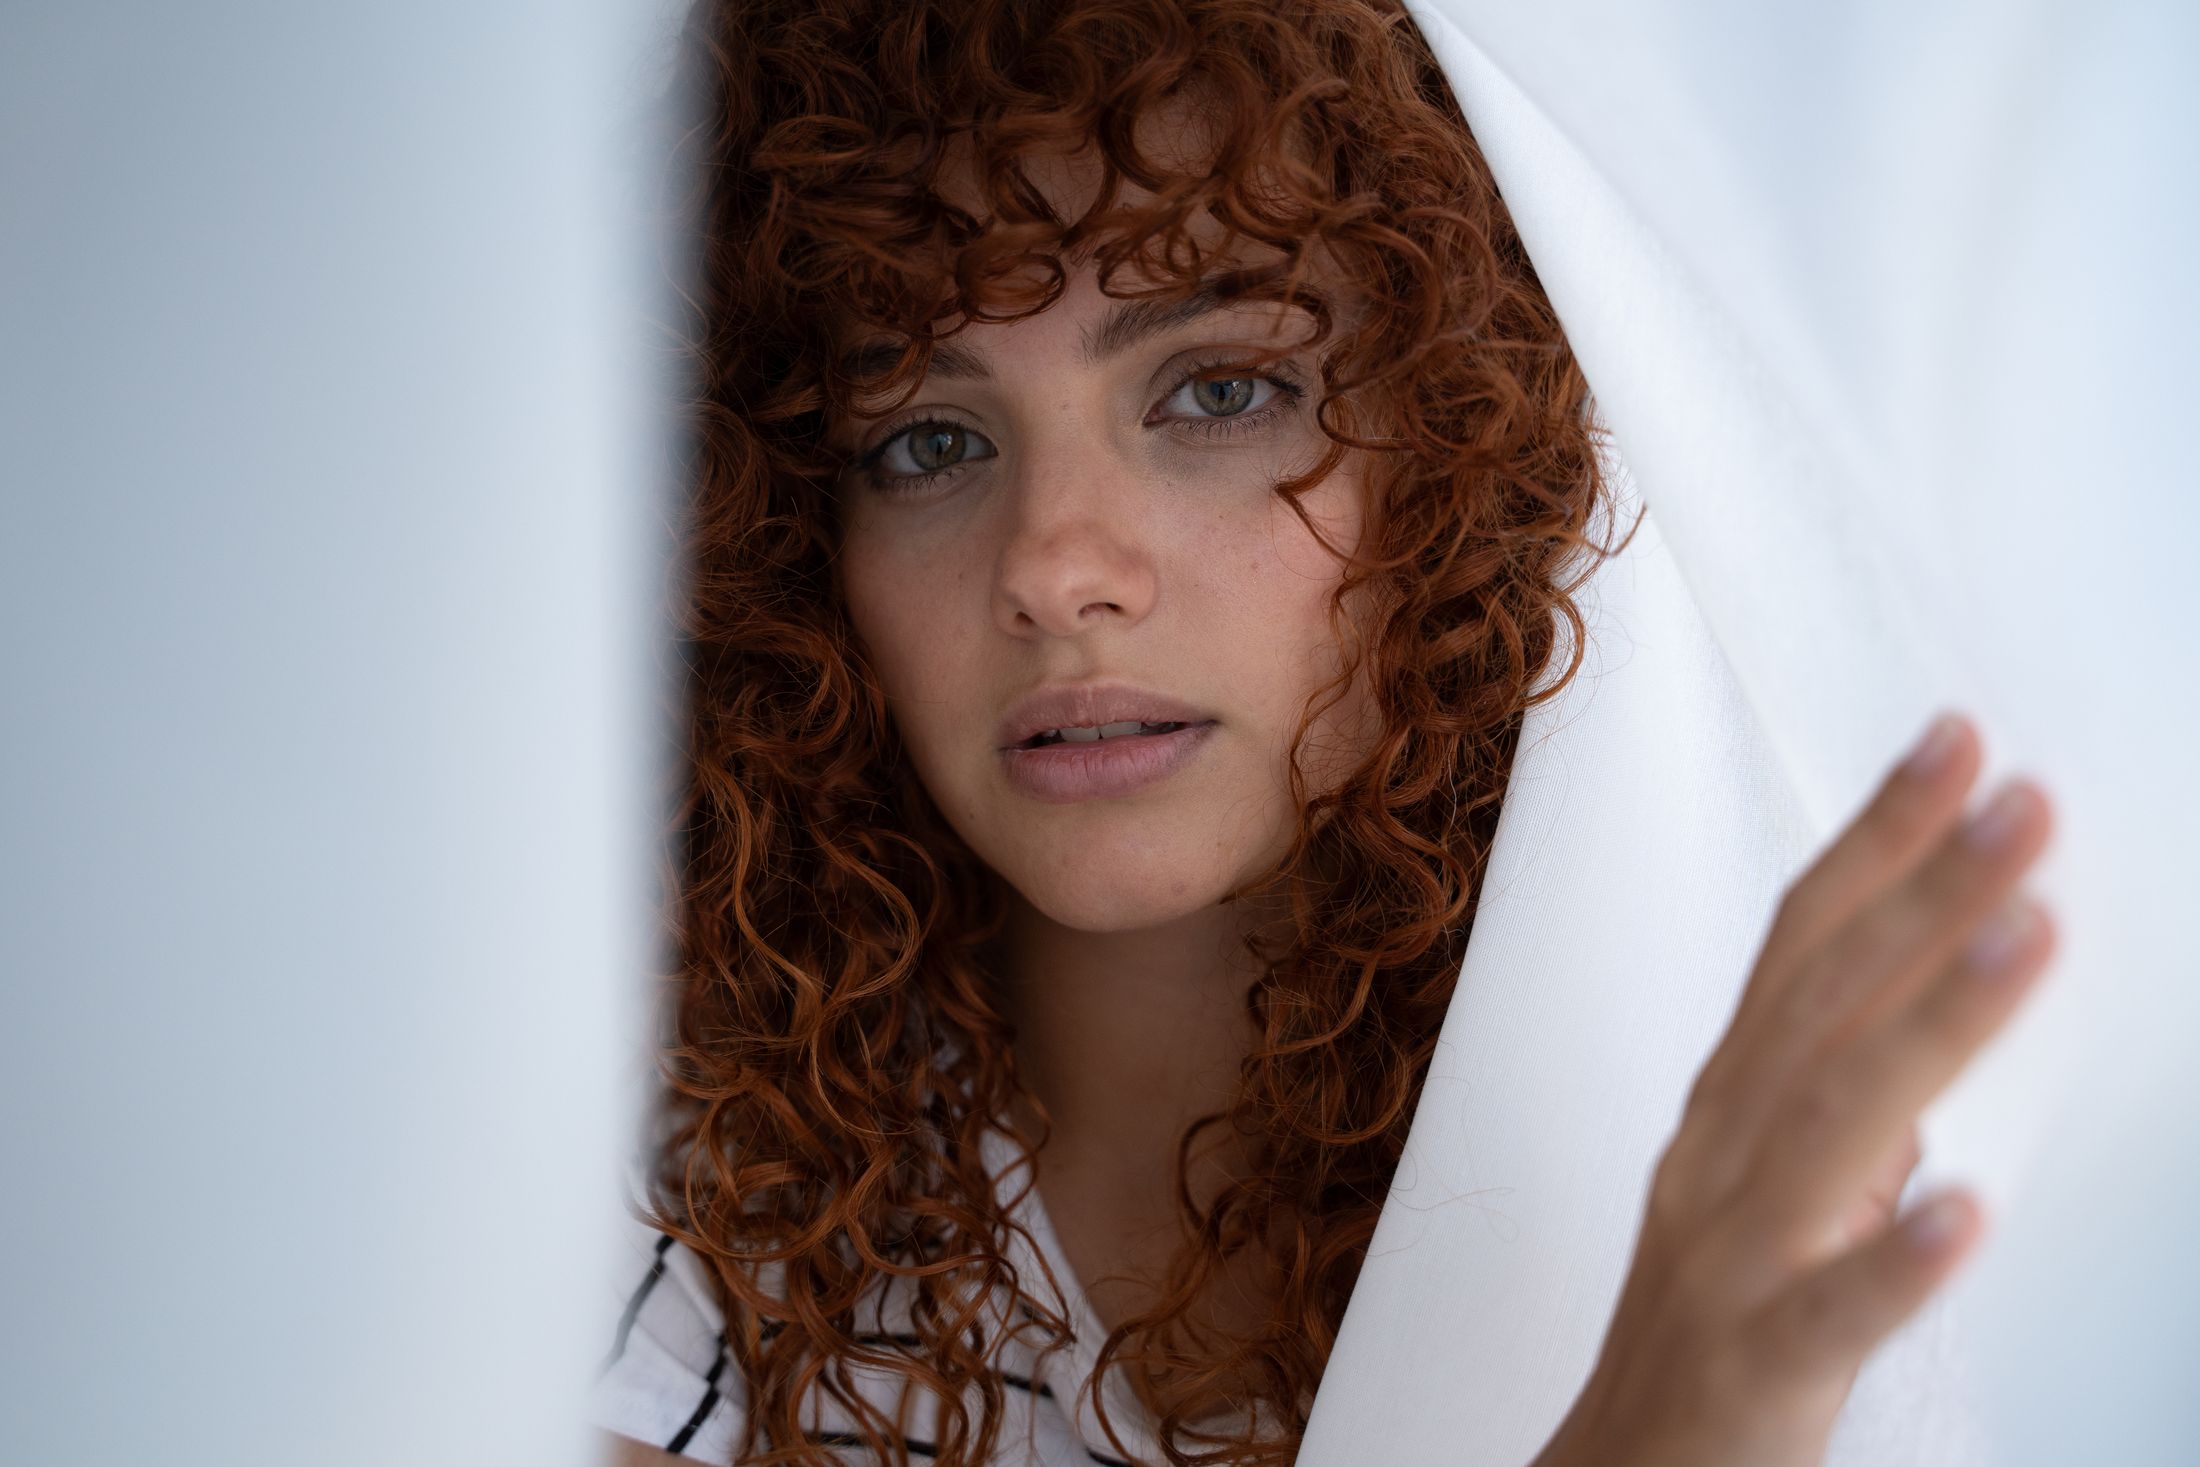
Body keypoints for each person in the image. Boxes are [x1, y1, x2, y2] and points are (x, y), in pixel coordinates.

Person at [593, 1, 2059, 1463]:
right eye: (930, 440)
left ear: (1475, 439)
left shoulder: (1765, 1160)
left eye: (1221, 392)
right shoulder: (668, 1186)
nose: (1053, 567)